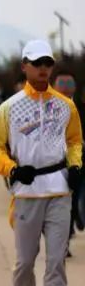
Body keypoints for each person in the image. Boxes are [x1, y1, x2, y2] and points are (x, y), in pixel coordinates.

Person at [0, 39, 82, 286]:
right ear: (24, 66)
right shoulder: (9, 108)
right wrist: (11, 169)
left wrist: (76, 165)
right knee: (25, 262)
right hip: (27, 192)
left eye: (47, 64)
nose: (43, 69)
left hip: (58, 190)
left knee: (56, 261)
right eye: (37, 63)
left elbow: (75, 141)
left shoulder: (65, 105)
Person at [53, 72, 82, 249]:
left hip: (78, 161)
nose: (65, 89)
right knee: (63, 202)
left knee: (75, 197)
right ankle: (64, 241)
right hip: (57, 164)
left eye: (68, 86)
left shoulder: (80, 108)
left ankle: (77, 217)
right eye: (61, 86)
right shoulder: (49, 109)